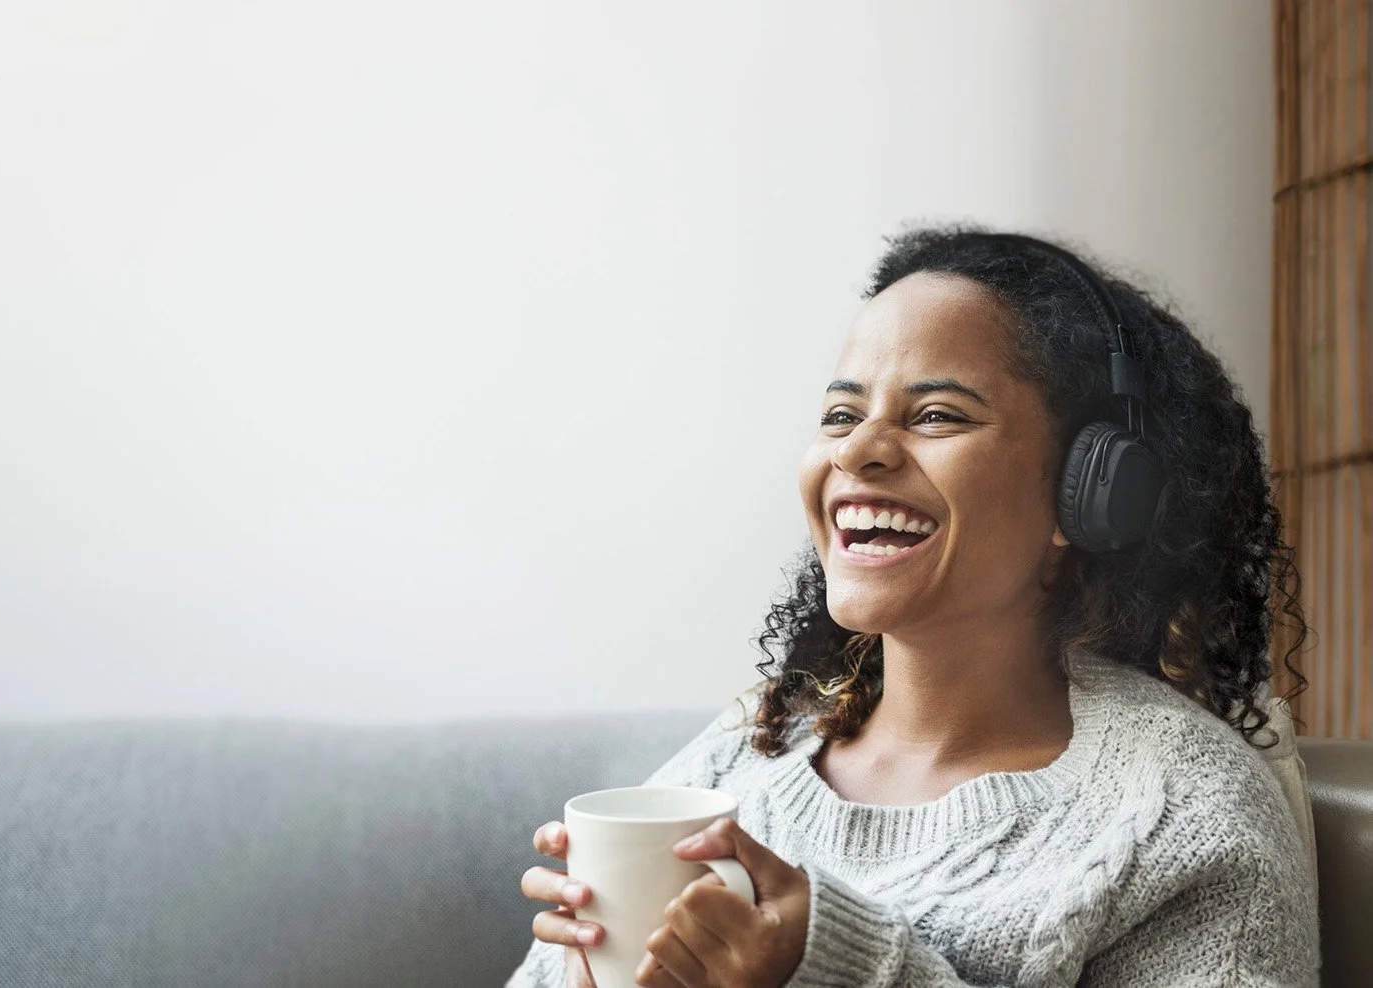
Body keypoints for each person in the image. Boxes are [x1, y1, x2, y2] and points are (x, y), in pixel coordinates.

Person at [506, 225, 1318, 988]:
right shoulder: (754, 747)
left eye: (936, 414)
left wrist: (829, 962)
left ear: (1090, 490)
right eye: (839, 415)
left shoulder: (1183, 812)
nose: (858, 450)